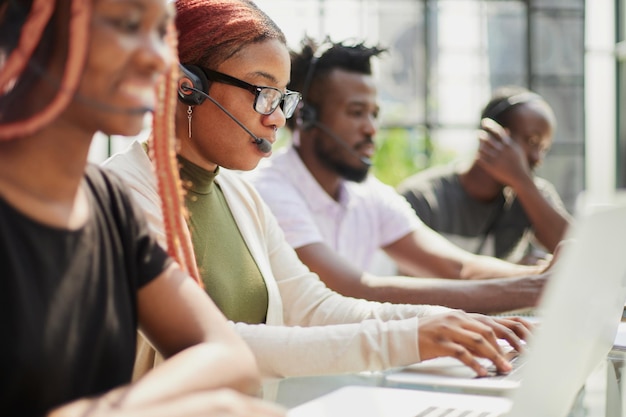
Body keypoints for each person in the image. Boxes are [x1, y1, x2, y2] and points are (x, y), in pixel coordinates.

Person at [103, 0, 532, 382]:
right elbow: (208, 343)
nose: (275, 118)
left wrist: (439, 320)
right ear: (188, 85)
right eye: (262, 93)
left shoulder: (240, 197)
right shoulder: (123, 196)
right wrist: (409, 338)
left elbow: (314, 308)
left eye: (282, 98)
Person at [0, 1, 286, 416]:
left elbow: (229, 357)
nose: (159, 58)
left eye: (161, 33)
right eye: (127, 25)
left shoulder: (106, 202)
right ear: (35, 31)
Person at [245, 37, 557, 315]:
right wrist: (532, 289)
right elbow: (353, 290)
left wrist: (548, 274)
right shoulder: (271, 190)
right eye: (356, 113)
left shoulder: (369, 194)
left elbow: (458, 268)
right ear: (304, 116)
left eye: (374, 114)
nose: (370, 128)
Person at [397, 86, 571, 264]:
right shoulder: (421, 198)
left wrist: (522, 181)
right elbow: (414, 278)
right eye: (531, 141)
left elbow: (576, 253)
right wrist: (513, 275)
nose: (538, 158)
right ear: (493, 135)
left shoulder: (532, 194)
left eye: (543, 149)